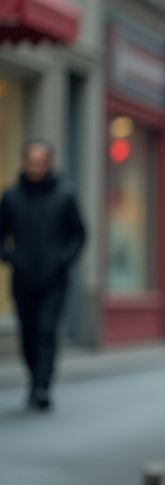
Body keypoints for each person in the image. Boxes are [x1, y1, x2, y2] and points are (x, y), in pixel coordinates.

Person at [0, 141, 86, 410]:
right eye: (31, 161)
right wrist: (11, 257)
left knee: (46, 330)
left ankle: (42, 386)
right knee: (28, 332)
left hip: (54, 280)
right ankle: (33, 378)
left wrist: (64, 260)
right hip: (23, 279)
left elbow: (79, 234)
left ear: (49, 163)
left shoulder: (65, 195)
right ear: (24, 162)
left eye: (41, 161)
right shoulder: (12, 196)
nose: (35, 166)